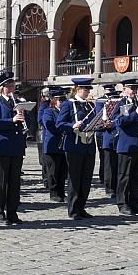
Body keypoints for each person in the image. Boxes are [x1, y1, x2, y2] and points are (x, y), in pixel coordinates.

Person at [57, 78, 107, 220]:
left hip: (88, 145)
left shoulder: (90, 106)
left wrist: (102, 124)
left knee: (86, 179)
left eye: (88, 90)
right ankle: (73, 209)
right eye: (85, 90)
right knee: (75, 178)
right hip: (74, 145)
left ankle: (82, 207)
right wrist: (72, 125)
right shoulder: (68, 104)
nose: (87, 92)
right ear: (78, 89)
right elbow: (59, 123)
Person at [0, 71, 26, 225]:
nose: (11, 89)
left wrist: (22, 114)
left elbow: (23, 121)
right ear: (1, 88)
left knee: (14, 182)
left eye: (13, 86)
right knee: (0, 182)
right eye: (8, 86)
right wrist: (12, 119)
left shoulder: (17, 102)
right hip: (1, 146)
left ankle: (13, 213)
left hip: (16, 146)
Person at [112, 78, 138, 215]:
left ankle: (134, 202)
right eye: (132, 88)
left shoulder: (137, 103)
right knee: (124, 176)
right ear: (124, 89)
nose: (134, 91)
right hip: (127, 145)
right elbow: (119, 122)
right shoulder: (121, 104)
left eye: (136, 89)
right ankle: (122, 203)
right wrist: (135, 113)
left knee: (136, 176)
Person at [42, 89, 68, 203]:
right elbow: (50, 126)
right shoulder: (49, 111)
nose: (62, 103)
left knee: (63, 171)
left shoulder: (66, 112)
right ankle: (54, 192)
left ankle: (62, 192)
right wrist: (64, 129)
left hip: (64, 145)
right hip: (52, 145)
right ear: (54, 101)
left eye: (64, 100)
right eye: (60, 100)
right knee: (53, 170)